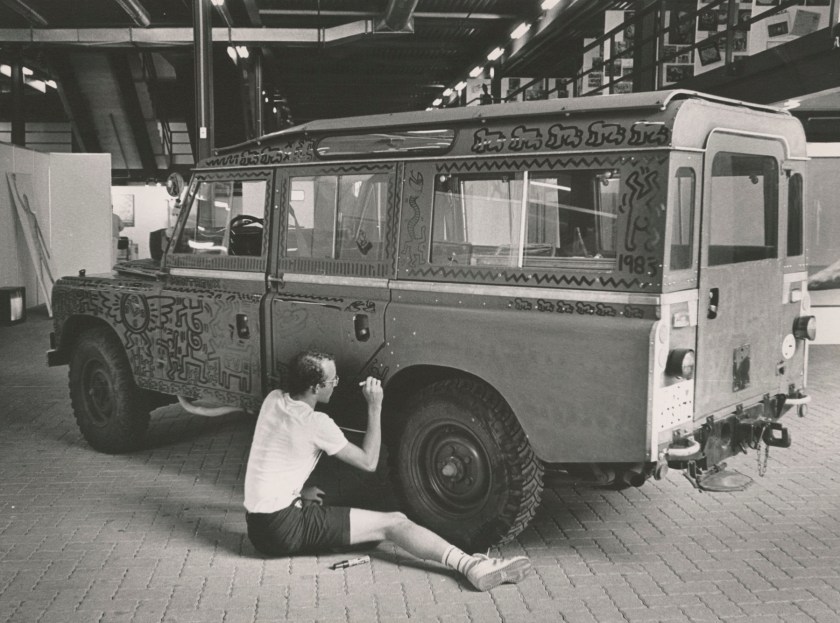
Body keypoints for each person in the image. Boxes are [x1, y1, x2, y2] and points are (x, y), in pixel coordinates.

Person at [243, 351, 532, 591]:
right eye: (333, 380)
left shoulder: (274, 400)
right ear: (316, 388)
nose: (336, 384)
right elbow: (369, 462)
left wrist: (297, 492)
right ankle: (471, 566)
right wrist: (375, 406)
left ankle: (335, 533)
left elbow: (274, 454)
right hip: (282, 528)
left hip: (258, 524)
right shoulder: (317, 423)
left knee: (370, 531)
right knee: (394, 523)